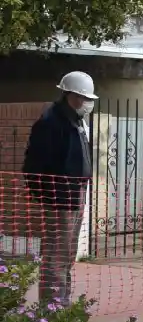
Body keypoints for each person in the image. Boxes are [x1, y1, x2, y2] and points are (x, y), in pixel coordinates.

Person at [22, 72, 97, 304]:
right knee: (56, 255)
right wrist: (45, 195)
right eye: (83, 97)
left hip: (75, 195)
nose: (88, 103)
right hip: (59, 198)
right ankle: (51, 309)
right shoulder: (51, 122)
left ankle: (61, 303)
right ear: (70, 95)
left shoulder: (75, 121)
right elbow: (34, 165)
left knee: (67, 255)